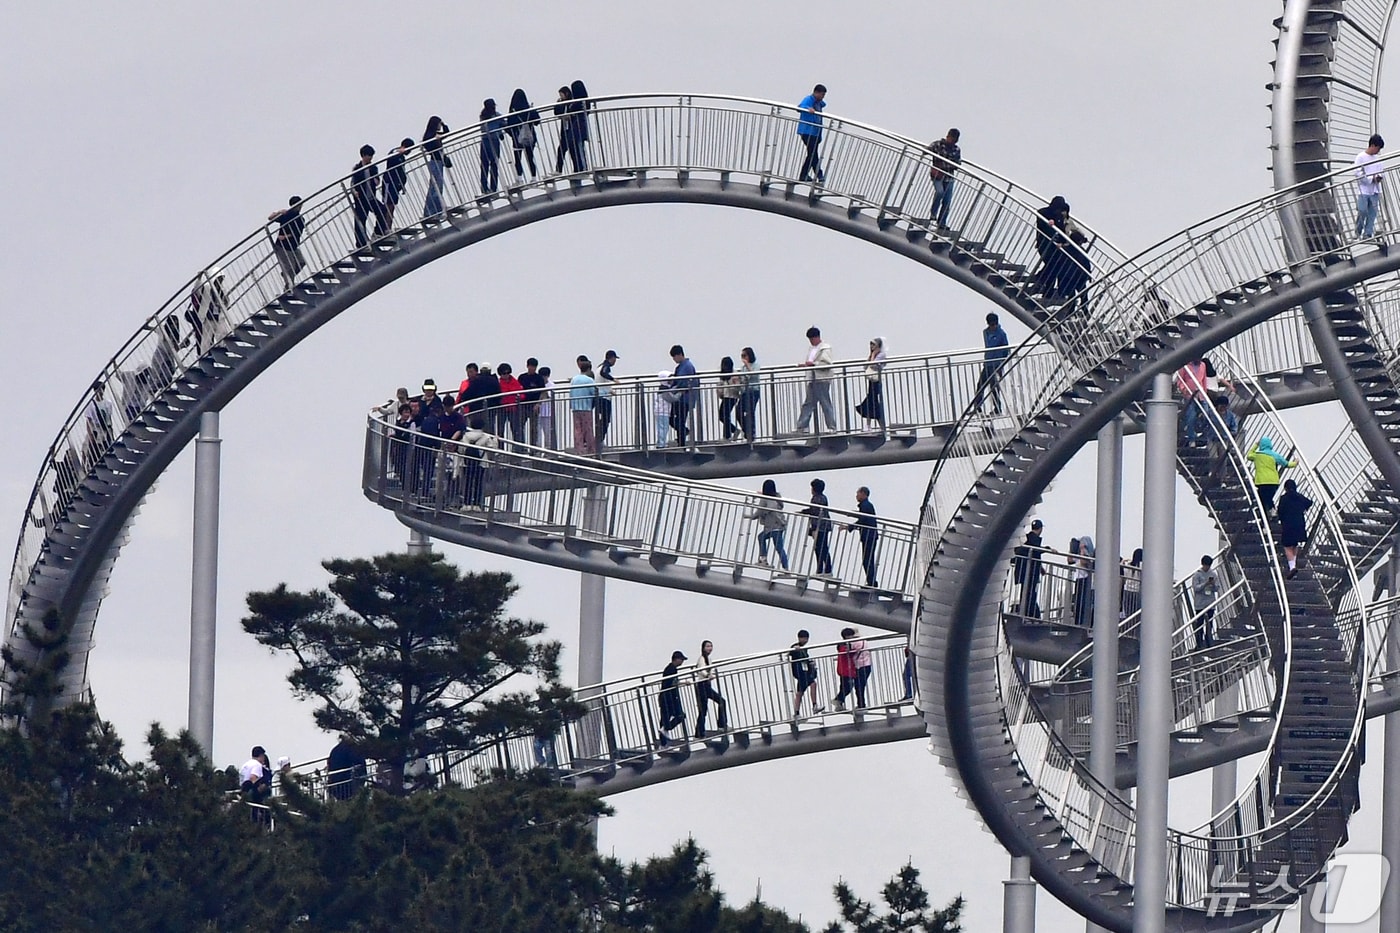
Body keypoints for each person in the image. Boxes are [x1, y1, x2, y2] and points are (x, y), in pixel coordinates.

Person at [795, 326, 837, 432]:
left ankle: (831, 426)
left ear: (816, 337)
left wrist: (814, 364)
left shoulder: (825, 348)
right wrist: (805, 365)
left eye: (811, 339)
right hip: (813, 378)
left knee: (825, 402)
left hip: (821, 379)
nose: (810, 341)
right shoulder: (812, 349)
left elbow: (827, 363)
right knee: (808, 403)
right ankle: (802, 426)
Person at [350, 144, 389, 248]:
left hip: (371, 197)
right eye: (369, 156)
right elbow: (352, 183)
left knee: (382, 210)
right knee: (361, 220)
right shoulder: (357, 168)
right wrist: (354, 192)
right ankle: (360, 243)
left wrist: (375, 180)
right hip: (361, 199)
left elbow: (377, 180)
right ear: (363, 155)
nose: (370, 158)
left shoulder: (373, 167)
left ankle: (378, 232)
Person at [746, 479, 790, 570]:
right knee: (775, 545)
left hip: (772, 526)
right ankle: (785, 567)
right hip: (779, 525)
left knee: (775, 545)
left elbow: (764, 509)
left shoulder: (766, 499)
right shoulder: (776, 497)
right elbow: (773, 504)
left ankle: (764, 560)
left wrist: (755, 515)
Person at [1033, 196, 1070, 297]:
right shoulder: (1043, 212)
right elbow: (1042, 225)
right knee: (1052, 266)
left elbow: (1062, 231)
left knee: (1054, 267)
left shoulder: (1059, 216)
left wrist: (1064, 242)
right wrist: (1050, 224)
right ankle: (1042, 282)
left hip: (1054, 247)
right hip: (1044, 245)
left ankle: (1043, 283)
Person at [1247, 436, 1295, 515]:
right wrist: (1295, 463)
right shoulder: (1274, 455)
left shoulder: (1257, 455)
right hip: (1273, 482)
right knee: (1268, 498)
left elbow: (1249, 455)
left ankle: (1266, 519)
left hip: (1261, 482)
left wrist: (1256, 445)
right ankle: (1271, 511)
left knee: (1262, 501)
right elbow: (1286, 464)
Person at [1277, 479, 1314, 579]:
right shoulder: (1299, 497)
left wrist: (1281, 518)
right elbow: (1310, 502)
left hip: (1288, 524)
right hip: (1299, 523)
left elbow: (1280, 511)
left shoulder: (1284, 498)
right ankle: (1293, 563)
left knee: (1287, 545)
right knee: (1294, 544)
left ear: (1285, 488)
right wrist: (1303, 508)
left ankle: (1292, 566)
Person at [268, 195, 306, 291]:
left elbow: (296, 233)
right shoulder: (286, 215)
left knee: (301, 262)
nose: (299, 207)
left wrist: (285, 236)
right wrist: (280, 211)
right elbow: (270, 217)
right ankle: (289, 286)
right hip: (282, 246)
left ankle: (287, 277)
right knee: (290, 267)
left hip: (293, 246)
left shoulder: (300, 219)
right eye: (298, 205)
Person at [843, 486, 879, 587]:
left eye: (858, 493)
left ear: (863, 494)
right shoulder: (866, 505)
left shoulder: (865, 505)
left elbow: (863, 519)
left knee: (867, 560)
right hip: (869, 536)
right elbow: (863, 517)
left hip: (869, 536)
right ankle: (872, 582)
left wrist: (849, 526)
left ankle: (872, 583)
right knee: (868, 559)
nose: (856, 496)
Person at [692, 640, 728, 739]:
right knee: (703, 710)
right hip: (702, 685)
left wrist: (710, 674)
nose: (710, 648)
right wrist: (708, 675)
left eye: (711, 646)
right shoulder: (701, 659)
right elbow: (701, 670)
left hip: (707, 686)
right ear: (703, 648)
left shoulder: (709, 659)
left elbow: (709, 669)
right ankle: (699, 733)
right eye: (708, 646)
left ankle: (722, 725)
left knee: (721, 701)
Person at [460, 415, 498, 508]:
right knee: (478, 483)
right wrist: (496, 440)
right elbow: (493, 449)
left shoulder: (465, 436)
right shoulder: (486, 437)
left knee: (468, 483)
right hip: (481, 463)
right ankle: (477, 504)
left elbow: (461, 449)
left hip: (467, 463)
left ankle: (466, 503)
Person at [975, 313, 1009, 414]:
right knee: (980, 385)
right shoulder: (985, 332)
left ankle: (997, 408)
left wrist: (1001, 362)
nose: (993, 326)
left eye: (994, 324)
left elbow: (1006, 349)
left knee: (994, 387)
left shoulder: (1001, 333)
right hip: (988, 363)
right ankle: (977, 407)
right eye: (991, 324)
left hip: (997, 364)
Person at [927, 128, 962, 229]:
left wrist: (949, 164)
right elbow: (928, 149)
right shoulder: (938, 144)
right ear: (947, 136)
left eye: (954, 140)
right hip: (938, 175)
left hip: (949, 177)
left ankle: (942, 222)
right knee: (939, 192)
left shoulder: (956, 149)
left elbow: (957, 163)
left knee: (947, 201)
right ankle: (933, 213)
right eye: (951, 138)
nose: (952, 141)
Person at [378, 138, 414, 233]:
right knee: (387, 205)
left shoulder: (402, 157)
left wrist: (402, 184)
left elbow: (401, 171)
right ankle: (382, 228)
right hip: (389, 183)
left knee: (392, 206)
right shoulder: (395, 153)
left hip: (396, 185)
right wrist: (399, 151)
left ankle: (388, 228)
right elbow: (391, 157)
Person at [1012, 519, 1045, 618]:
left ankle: (1026, 610)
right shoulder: (1034, 539)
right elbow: (1035, 551)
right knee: (1031, 592)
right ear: (1040, 529)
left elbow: (1032, 553)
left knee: (1025, 591)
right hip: (1031, 572)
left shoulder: (1027, 538)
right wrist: (1048, 549)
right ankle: (1029, 612)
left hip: (1024, 570)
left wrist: (1041, 567)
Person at [1355, 133, 1386, 238]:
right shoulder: (1360, 157)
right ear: (1372, 145)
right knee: (1362, 210)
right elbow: (1358, 173)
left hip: (1375, 190)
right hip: (1364, 190)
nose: (1378, 151)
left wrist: (1379, 177)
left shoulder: (1378, 158)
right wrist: (1370, 179)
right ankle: (1358, 231)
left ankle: (1368, 233)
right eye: (1377, 148)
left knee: (1372, 213)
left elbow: (1381, 171)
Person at [796, 84, 827, 183]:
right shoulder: (809, 99)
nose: (823, 97)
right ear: (816, 92)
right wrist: (808, 108)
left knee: (812, 154)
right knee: (813, 154)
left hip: (814, 133)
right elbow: (800, 107)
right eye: (822, 94)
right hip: (807, 131)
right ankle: (818, 175)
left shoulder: (819, 104)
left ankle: (807, 175)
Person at [507, 89, 541, 180]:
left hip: (517, 138)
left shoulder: (513, 111)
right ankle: (534, 177)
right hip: (530, 137)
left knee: (518, 158)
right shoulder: (529, 109)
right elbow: (537, 121)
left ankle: (519, 177)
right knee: (530, 156)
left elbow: (509, 126)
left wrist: (512, 134)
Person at [669, 345, 699, 446]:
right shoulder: (682, 366)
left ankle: (682, 442)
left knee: (679, 420)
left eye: (674, 357)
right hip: (680, 398)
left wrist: (675, 388)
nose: (674, 359)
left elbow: (684, 382)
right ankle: (682, 436)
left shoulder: (687, 366)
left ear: (680, 355)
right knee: (675, 419)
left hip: (684, 398)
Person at [421, 115, 451, 219]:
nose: (439, 126)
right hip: (435, 162)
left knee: (438, 187)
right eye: (438, 124)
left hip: (439, 162)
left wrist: (443, 124)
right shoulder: (430, 136)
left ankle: (437, 210)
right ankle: (431, 211)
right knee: (435, 187)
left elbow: (447, 132)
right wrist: (435, 139)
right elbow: (427, 144)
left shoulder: (435, 134)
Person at [1175, 357, 1209, 447]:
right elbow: (1180, 380)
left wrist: (1205, 393)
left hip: (1201, 394)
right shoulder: (1185, 365)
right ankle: (1191, 438)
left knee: (1207, 414)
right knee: (1191, 417)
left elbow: (1204, 380)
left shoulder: (1203, 365)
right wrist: (1184, 389)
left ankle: (1203, 434)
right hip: (1189, 394)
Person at [657, 650, 688, 745]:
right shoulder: (672, 669)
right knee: (680, 715)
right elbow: (671, 683)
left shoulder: (670, 668)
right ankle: (666, 729)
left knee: (664, 720)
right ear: (676, 659)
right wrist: (684, 683)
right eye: (681, 659)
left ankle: (663, 743)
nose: (682, 662)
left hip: (666, 698)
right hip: (668, 698)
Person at [789, 629, 823, 717]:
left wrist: (810, 663)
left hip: (804, 672)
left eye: (806, 638)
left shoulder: (804, 649)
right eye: (803, 638)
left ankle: (796, 713)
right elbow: (791, 651)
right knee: (812, 684)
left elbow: (805, 659)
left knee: (800, 692)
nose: (805, 640)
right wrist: (795, 649)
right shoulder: (796, 646)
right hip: (800, 672)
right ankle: (814, 705)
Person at [854, 337, 886, 428]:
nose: (871, 346)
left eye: (873, 344)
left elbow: (873, 365)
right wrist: (870, 356)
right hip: (871, 381)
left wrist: (873, 356)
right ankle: (873, 426)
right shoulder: (872, 355)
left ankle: (877, 426)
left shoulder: (881, 355)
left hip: (877, 381)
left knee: (873, 401)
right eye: (870, 344)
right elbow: (865, 367)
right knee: (871, 402)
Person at [804, 478, 833, 576]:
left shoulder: (816, 498)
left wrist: (812, 528)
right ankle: (826, 569)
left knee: (819, 548)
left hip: (820, 526)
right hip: (825, 525)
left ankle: (821, 569)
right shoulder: (823, 497)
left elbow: (815, 512)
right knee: (823, 547)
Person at [553, 86, 586, 173]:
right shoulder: (562, 103)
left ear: (566, 94)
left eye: (562, 95)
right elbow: (556, 113)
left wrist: (569, 116)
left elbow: (573, 113)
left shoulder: (572, 102)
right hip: (565, 130)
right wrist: (558, 104)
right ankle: (559, 170)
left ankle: (578, 169)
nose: (561, 97)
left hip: (571, 129)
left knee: (573, 151)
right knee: (561, 150)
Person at [1190, 554, 1220, 647]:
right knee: (1199, 624)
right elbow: (1196, 588)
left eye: (1208, 566)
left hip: (1210, 603)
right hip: (1200, 604)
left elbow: (1217, 588)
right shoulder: (1197, 575)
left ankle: (1208, 642)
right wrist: (1205, 583)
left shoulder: (1213, 574)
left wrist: (1213, 585)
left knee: (1209, 624)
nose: (1207, 567)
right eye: (1206, 565)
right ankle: (1199, 643)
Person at [326, 736, 368, 801]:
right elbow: (360, 764)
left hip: (336, 785)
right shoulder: (353, 749)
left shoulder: (335, 750)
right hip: (349, 784)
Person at [569, 356, 597, 454]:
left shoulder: (574, 379)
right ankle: (591, 450)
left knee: (577, 429)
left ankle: (579, 450)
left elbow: (571, 392)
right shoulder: (589, 380)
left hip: (575, 407)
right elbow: (594, 392)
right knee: (588, 429)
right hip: (586, 407)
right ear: (588, 369)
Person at [478, 99, 506, 194]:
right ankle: (493, 188)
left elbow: (483, 129)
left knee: (484, 166)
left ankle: (484, 188)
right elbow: (504, 123)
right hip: (493, 142)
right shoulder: (496, 116)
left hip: (484, 142)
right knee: (494, 164)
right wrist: (500, 132)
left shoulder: (483, 116)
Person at [518, 358, 547, 445]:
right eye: (531, 366)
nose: (532, 368)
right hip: (523, 406)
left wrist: (538, 404)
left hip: (534, 406)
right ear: (527, 366)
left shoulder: (539, 378)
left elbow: (543, 392)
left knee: (534, 428)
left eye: (534, 367)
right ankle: (521, 446)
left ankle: (533, 447)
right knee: (519, 426)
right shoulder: (522, 377)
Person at [495, 362, 525, 442]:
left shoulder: (515, 382)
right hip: (502, 409)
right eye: (504, 373)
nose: (506, 375)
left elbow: (522, 393)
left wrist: (517, 399)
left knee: (516, 429)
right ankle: (500, 449)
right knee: (500, 430)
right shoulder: (498, 383)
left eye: (508, 373)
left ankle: (518, 448)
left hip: (513, 409)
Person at [596, 349, 619, 447]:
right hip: (604, 398)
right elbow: (603, 373)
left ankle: (598, 440)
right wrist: (613, 380)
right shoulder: (605, 367)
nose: (615, 361)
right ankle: (599, 440)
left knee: (602, 420)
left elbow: (602, 382)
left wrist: (610, 390)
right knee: (605, 420)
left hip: (600, 396)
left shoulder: (599, 367)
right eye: (615, 359)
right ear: (612, 358)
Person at [1072, 535, 1095, 627]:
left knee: (1082, 602)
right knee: (1077, 602)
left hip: (1085, 580)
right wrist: (1072, 547)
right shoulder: (1078, 554)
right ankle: (1077, 621)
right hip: (1078, 579)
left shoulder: (1087, 555)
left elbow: (1084, 563)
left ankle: (1082, 622)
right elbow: (1070, 560)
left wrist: (1083, 551)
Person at [738, 347, 760, 441]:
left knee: (750, 412)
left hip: (753, 391)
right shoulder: (743, 368)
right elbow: (743, 379)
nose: (743, 358)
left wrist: (748, 366)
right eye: (742, 356)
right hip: (744, 392)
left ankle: (752, 433)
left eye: (744, 355)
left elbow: (754, 375)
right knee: (738, 411)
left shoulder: (755, 365)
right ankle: (747, 431)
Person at [717, 356, 741, 440]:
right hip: (725, 397)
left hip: (732, 396)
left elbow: (738, 387)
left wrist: (734, 383)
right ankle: (732, 431)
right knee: (722, 416)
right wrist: (720, 392)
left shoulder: (734, 374)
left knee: (725, 415)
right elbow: (720, 385)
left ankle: (728, 436)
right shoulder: (723, 375)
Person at [832, 630, 856, 711]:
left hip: (845, 669)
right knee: (847, 686)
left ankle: (839, 704)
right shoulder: (843, 645)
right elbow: (845, 652)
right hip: (845, 670)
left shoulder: (845, 644)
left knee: (844, 687)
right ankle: (838, 700)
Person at [653, 370, 673, 448]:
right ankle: (661, 444)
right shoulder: (664, 390)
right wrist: (680, 393)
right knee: (663, 428)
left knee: (662, 427)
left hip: (662, 411)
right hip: (662, 411)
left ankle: (661, 443)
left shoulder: (664, 388)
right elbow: (671, 398)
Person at [538, 365, 557, 448]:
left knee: (548, 434)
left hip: (548, 413)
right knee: (537, 435)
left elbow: (548, 396)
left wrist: (543, 390)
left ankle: (548, 450)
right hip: (538, 413)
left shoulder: (551, 385)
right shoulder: (538, 384)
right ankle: (537, 450)